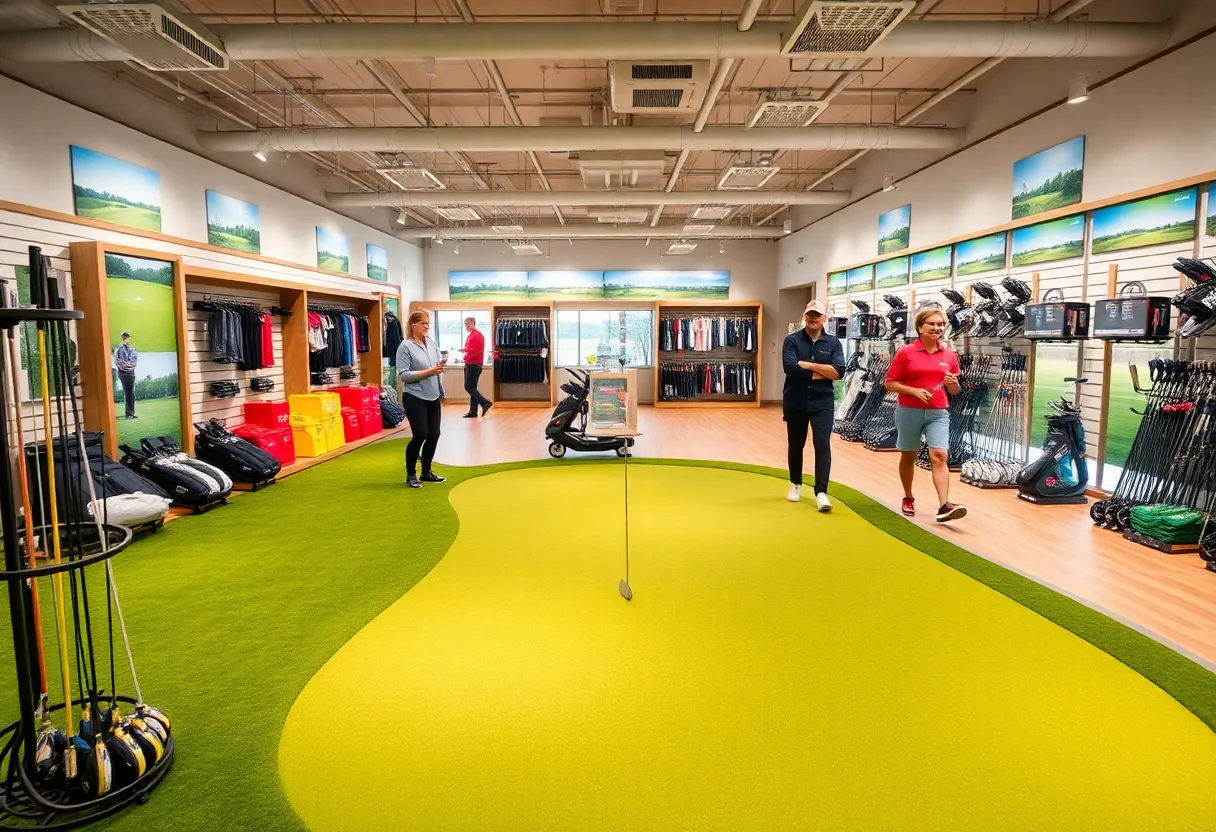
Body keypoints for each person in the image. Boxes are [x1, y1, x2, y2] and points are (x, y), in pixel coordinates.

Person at [883, 308, 968, 522]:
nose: (937, 328)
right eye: (932, 324)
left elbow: (954, 391)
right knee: (908, 456)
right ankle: (908, 497)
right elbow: (889, 383)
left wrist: (953, 384)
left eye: (940, 324)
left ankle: (944, 505)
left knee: (940, 455)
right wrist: (913, 391)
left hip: (938, 412)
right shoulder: (906, 352)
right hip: (908, 411)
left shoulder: (949, 355)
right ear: (920, 327)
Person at [782, 300, 846, 511]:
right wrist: (824, 371)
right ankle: (796, 483)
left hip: (822, 402)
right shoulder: (791, 341)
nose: (813, 319)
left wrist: (808, 365)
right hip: (795, 400)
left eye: (817, 316)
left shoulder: (833, 343)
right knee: (796, 445)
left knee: (822, 445)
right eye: (809, 315)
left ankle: (821, 492)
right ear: (805, 317)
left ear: (823, 318)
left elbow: (839, 372)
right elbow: (791, 369)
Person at [396, 311, 448, 489]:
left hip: (433, 395)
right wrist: (430, 371)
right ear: (413, 325)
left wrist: (440, 367)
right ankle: (411, 474)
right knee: (420, 435)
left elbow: (435, 368)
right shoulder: (405, 346)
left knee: (434, 434)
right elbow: (404, 375)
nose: (427, 326)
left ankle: (426, 472)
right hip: (414, 396)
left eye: (428, 323)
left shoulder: (431, 343)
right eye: (423, 323)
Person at [461, 316, 492, 418]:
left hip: (472, 364)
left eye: (466, 324)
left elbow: (472, 350)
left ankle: (485, 402)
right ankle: (473, 411)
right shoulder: (476, 335)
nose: (465, 326)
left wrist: (465, 352)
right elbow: (473, 349)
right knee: (473, 388)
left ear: (472, 323)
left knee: (469, 387)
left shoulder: (475, 335)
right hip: (475, 364)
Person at [113, 331, 138, 419]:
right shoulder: (118, 349)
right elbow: (119, 362)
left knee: (131, 393)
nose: (126, 338)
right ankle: (128, 414)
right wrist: (127, 366)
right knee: (127, 393)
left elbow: (134, 362)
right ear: (122, 338)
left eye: (127, 336)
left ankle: (131, 413)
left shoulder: (133, 349)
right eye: (124, 336)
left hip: (131, 373)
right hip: (123, 374)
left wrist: (128, 366)